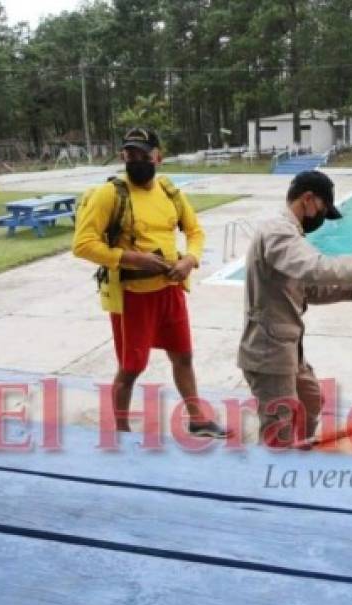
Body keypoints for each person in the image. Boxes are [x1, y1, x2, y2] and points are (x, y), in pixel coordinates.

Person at [73, 127, 229, 438]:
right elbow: (82, 244)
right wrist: (131, 258)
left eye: (143, 155)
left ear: (158, 157)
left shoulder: (171, 192)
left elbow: (195, 232)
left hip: (170, 291)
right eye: (131, 154)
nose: (137, 160)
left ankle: (197, 419)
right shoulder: (110, 194)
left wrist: (189, 260)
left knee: (183, 356)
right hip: (134, 296)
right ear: (123, 156)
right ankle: (121, 431)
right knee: (131, 368)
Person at [238, 170, 352, 447]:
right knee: (278, 428)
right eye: (323, 210)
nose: (322, 219)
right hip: (268, 351)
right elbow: (314, 268)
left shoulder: (290, 234)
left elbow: (308, 290)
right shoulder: (277, 230)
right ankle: (272, 476)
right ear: (308, 199)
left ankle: (299, 457)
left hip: (288, 347)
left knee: (311, 400)